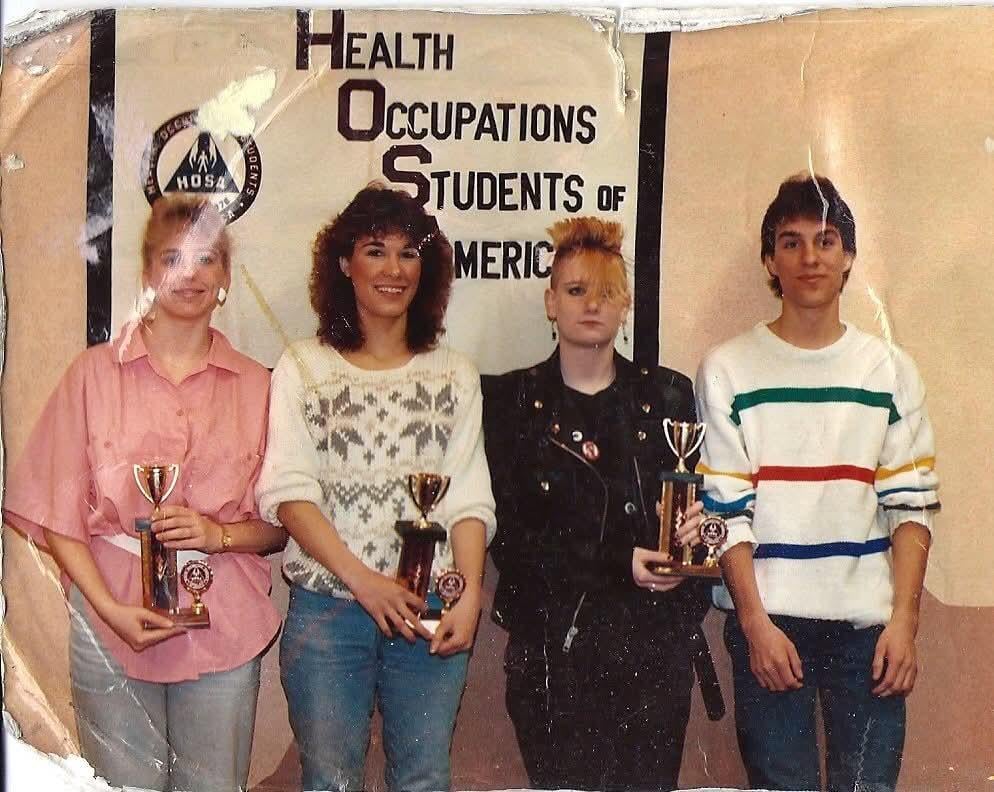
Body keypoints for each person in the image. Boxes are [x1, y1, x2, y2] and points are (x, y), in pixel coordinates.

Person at [3, 193, 285, 792]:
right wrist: (109, 611)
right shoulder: (92, 375)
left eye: (207, 259)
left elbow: (280, 525)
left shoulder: (262, 387)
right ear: (146, 271)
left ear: (226, 278)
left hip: (223, 622)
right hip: (110, 621)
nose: (190, 274)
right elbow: (56, 515)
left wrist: (218, 534)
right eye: (172, 257)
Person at [695, 173, 939, 792]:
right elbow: (727, 508)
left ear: (849, 256)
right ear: (769, 260)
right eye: (792, 242)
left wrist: (904, 623)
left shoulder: (889, 369)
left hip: (868, 632)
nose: (810, 257)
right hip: (771, 625)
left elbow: (909, 507)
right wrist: (754, 624)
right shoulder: (726, 368)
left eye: (826, 241)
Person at [256, 183, 496, 792]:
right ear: (344, 264)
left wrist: (467, 594)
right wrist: (364, 583)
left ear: (428, 267)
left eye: (408, 253)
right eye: (375, 250)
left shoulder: (455, 374)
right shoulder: (303, 367)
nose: (393, 269)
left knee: (423, 777)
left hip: (430, 612)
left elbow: (469, 499)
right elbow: (289, 494)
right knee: (330, 780)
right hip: (330, 611)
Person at [482, 216, 721, 792]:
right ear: (550, 302)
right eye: (575, 290)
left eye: (607, 292)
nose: (592, 305)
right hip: (554, 658)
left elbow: (690, 505)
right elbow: (511, 540)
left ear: (626, 305)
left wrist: (691, 536)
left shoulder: (668, 394)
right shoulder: (512, 401)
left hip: (652, 657)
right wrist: (620, 561)